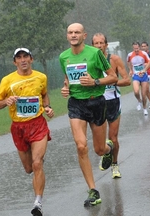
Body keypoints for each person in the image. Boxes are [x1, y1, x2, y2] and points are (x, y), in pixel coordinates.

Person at [59, 23, 118, 206]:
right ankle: (93, 190)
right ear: (67, 36)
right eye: (70, 32)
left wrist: (95, 81)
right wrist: (66, 87)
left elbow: (113, 77)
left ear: (84, 35)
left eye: (77, 32)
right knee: (81, 146)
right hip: (76, 104)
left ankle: (109, 149)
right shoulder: (63, 57)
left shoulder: (95, 53)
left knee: (98, 149)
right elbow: (68, 78)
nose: (73, 35)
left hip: (96, 102)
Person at [0, 48, 54, 216]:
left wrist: (48, 108)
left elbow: (44, 95)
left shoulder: (41, 77)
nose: (23, 60)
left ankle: (38, 202)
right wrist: (6, 101)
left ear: (31, 59)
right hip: (18, 127)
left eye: (25, 56)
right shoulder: (7, 80)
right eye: (19, 58)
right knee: (29, 168)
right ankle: (37, 161)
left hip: (37, 124)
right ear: (15, 62)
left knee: (37, 163)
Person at [92, 33, 131, 179]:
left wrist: (110, 81)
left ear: (106, 45)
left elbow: (127, 81)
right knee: (100, 142)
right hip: (96, 102)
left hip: (113, 101)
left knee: (113, 138)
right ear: (92, 45)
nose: (99, 45)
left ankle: (115, 164)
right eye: (96, 43)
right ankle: (106, 153)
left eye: (102, 43)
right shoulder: (89, 61)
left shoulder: (114, 59)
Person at [127, 42, 150, 116]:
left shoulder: (143, 53)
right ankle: (139, 101)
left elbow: (149, 62)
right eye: (135, 49)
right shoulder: (130, 55)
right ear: (133, 48)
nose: (136, 50)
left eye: (137, 48)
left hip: (144, 75)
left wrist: (146, 65)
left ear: (139, 47)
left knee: (144, 94)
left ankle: (144, 108)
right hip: (136, 75)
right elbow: (128, 62)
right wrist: (130, 70)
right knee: (136, 91)